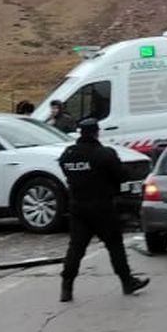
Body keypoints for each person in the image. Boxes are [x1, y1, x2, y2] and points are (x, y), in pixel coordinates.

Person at [58, 118, 149, 303]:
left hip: (77, 207)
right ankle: (127, 282)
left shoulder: (68, 154)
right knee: (115, 245)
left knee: (76, 248)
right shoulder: (103, 153)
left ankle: (66, 287)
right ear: (96, 133)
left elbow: (67, 173)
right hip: (102, 206)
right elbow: (122, 176)